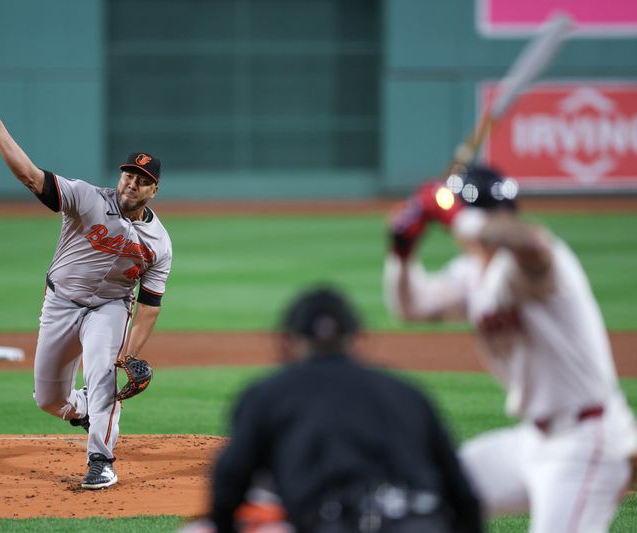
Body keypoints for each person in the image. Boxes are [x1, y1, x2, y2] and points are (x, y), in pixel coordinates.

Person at [383, 164, 637, 533]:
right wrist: (401, 253)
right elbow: (410, 307)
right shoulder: (471, 273)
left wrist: (454, 214)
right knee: (433, 491)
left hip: (587, 442)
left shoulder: (535, 264)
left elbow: (529, 242)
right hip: (535, 439)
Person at [0, 88, 172, 489]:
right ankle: (84, 411)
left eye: (143, 180)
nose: (132, 182)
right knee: (48, 399)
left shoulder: (160, 243)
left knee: (102, 375)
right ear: (121, 175)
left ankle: (102, 460)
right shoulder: (86, 198)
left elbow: (149, 304)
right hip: (60, 303)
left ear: (154, 190)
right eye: (129, 173)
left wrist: (128, 356)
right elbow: (30, 175)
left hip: (110, 308)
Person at [208, 286, 483, 533]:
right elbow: (462, 494)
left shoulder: (267, 393)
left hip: (332, 520)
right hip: (419, 521)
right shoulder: (408, 392)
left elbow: (229, 484)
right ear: (356, 337)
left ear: (289, 340)